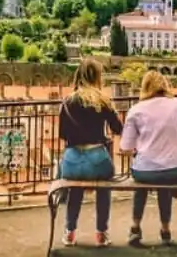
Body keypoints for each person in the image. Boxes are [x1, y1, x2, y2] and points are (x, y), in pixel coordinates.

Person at [119, 70, 177, 246]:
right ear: (165, 85)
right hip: (175, 169)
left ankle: (135, 228)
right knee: (164, 180)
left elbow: (125, 147)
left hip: (146, 171)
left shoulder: (136, 110)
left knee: (142, 180)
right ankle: (165, 229)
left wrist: (141, 149)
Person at [58, 58, 123, 248]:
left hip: (71, 161)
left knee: (75, 188)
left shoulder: (67, 102)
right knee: (104, 187)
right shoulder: (102, 100)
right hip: (97, 158)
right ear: (97, 77)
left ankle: (69, 233)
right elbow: (118, 128)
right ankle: (101, 233)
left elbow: (63, 135)